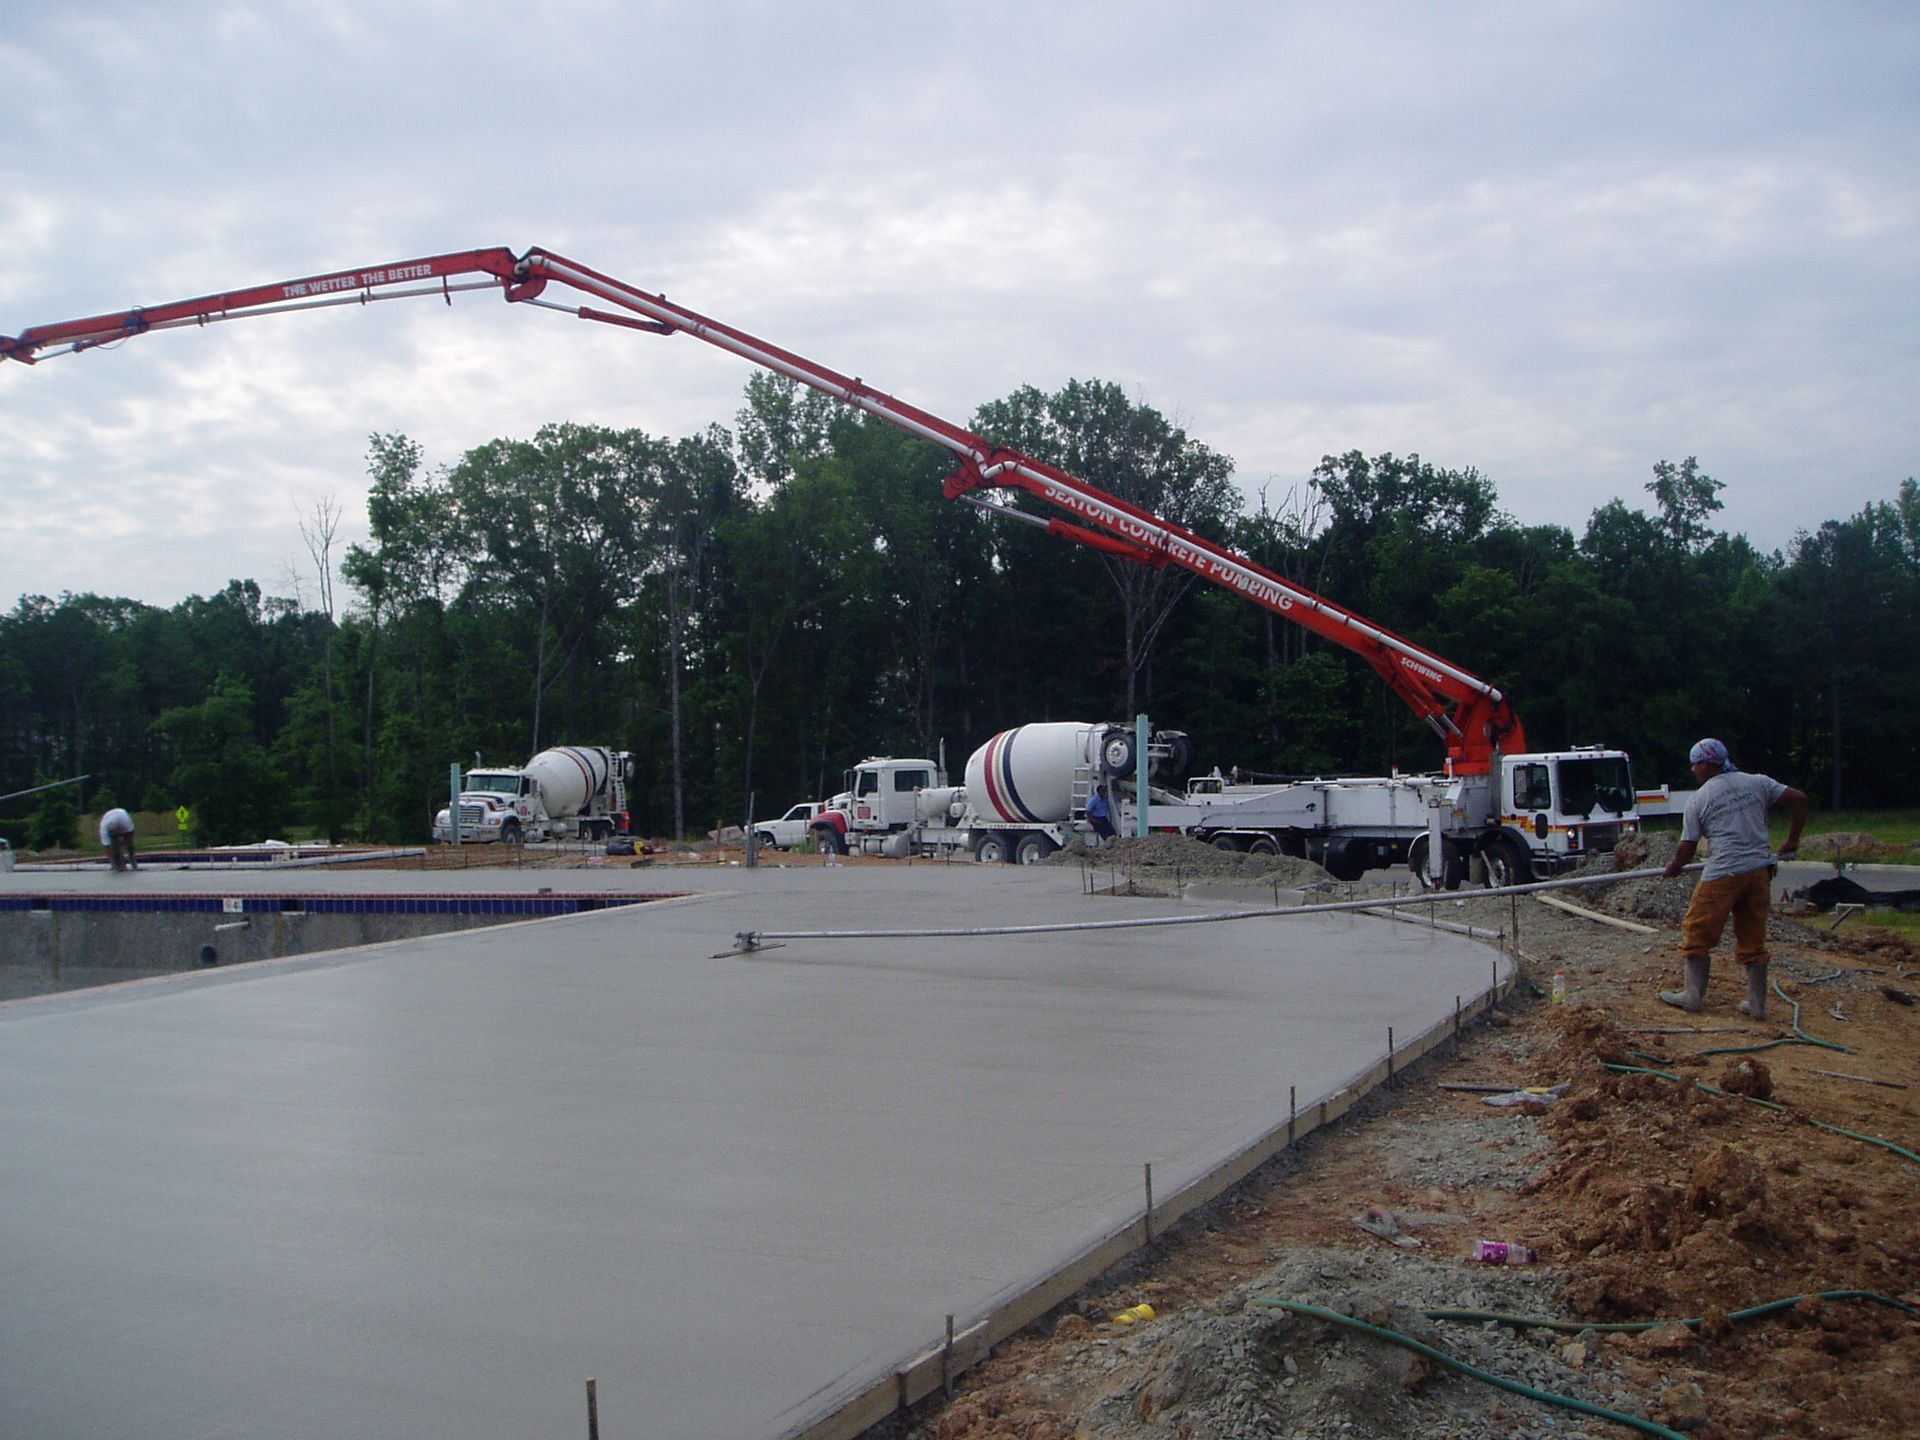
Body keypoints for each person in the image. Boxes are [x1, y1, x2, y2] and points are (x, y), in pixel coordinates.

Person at [1658, 738, 1806, 1018]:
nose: (1692, 770)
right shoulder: (1757, 782)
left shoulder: (1699, 799)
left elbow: (1687, 846)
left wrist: (1673, 867)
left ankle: (1692, 996)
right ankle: (1758, 1005)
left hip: (1723, 873)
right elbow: (1799, 799)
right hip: (1759, 872)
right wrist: (1791, 842)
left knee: (1697, 931)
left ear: (1705, 764)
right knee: (1753, 938)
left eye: (1694, 764)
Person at [99, 806, 137, 872]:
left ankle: (133, 862)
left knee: (130, 844)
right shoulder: (103, 829)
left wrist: (123, 842)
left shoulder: (125, 822)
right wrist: (113, 863)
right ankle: (117, 865)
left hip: (121, 816)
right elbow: (107, 847)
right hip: (110, 820)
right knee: (115, 849)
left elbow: (131, 833)